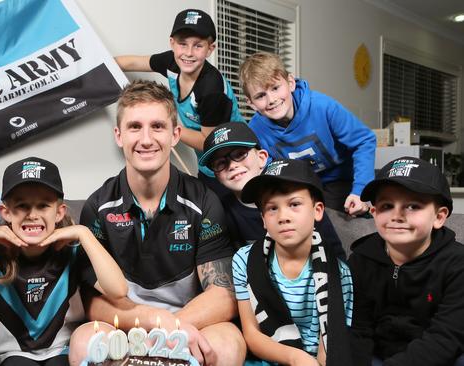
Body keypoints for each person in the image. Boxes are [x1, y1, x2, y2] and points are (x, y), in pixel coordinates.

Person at [68, 80, 245, 366]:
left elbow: (223, 293)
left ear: (175, 134)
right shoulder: (98, 206)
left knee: (228, 343)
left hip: (190, 322)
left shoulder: (204, 200)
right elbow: (93, 302)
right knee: (84, 342)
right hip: (124, 324)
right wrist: (153, 322)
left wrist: (169, 331)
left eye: (158, 127)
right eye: (135, 127)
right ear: (119, 135)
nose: (146, 139)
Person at [0, 157, 127, 366]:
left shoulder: (73, 250)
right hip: (9, 355)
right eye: (22, 206)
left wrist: (84, 234)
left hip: (63, 351)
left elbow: (118, 290)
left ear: (59, 212)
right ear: (5, 212)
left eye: (43, 205)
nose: (33, 215)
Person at [235, 159, 353, 366]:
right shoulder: (244, 260)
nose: (283, 217)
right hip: (270, 357)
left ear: (317, 211)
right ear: (263, 219)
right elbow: (252, 334)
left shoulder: (338, 273)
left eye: (294, 204)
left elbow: (331, 342)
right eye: (272, 208)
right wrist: (295, 358)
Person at [115, 8, 245, 195]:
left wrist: (165, 126)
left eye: (198, 46)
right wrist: (97, 64)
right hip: (208, 165)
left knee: (229, 217)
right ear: (172, 43)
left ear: (210, 49)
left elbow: (208, 143)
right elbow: (132, 63)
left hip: (234, 161)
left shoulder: (212, 90)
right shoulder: (172, 63)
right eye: (182, 44)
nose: (189, 53)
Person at [349, 157, 464, 366]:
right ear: (374, 213)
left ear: (439, 217)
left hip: (441, 355)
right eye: (386, 206)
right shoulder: (360, 261)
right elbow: (358, 330)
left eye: (412, 206)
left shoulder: (458, 264)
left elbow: (446, 337)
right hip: (379, 355)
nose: (397, 215)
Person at [239, 51, 376, 215]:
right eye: (261, 96)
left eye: (275, 88)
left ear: (290, 83)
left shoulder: (323, 107)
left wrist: (360, 190)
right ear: (251, 103)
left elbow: (364, 141)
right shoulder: (255, 129)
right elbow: (266, 168)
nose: (271, 100)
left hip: (342, 180)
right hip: (299, 187)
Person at [198, 122, 345, 258]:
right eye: (220, 163)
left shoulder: (298, 193)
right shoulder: (220, 210)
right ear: (216, 175)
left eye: (239, 154)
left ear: (262, 158)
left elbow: (335, 254)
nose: (232, 166)